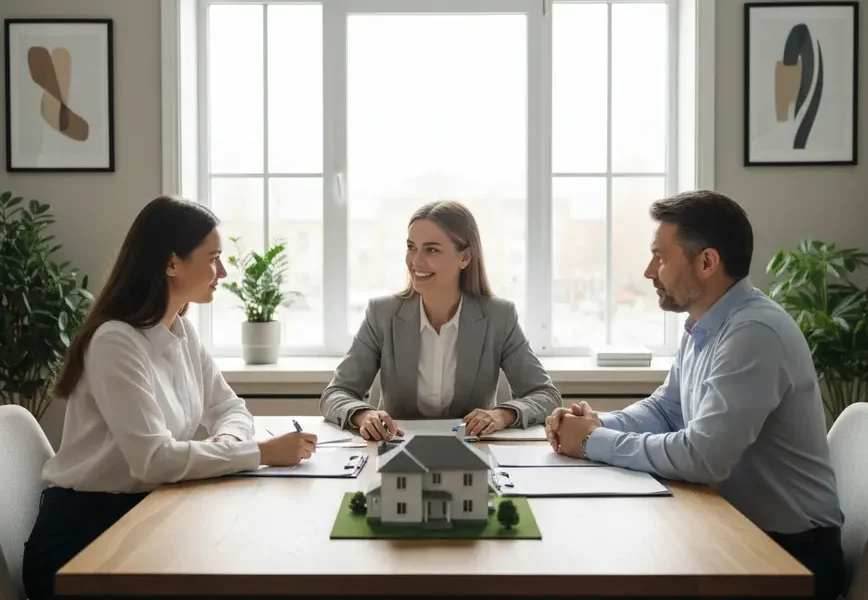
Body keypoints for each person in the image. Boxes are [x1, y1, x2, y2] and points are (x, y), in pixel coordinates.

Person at [546, 190, 845, 600]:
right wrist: (596, 422)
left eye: (661, 257)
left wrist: (592, 441)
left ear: (707, 262)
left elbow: (704, 457)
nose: (649, 271)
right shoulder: (704, 325)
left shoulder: (754, 334)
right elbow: (667, 409)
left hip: (789, 556)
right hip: (735, 531)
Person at [22, 197, 318, 600]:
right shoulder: (116, 342)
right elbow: (155, 460)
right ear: (171, 263)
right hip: (83, 539)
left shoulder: (181, 332)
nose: (223, 272)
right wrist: (260, 453)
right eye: (213, 258)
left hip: (145, 513)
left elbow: (230, 408)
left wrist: (230, 443)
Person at [320, 200, 561, 441]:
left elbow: (546, 395)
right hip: (395, 451)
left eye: (431, 249)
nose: (415, 261)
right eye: (411, 247)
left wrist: (502, 415)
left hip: (473, 452)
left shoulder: (499, 317)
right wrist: (363, 416)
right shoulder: (382, 314)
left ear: (465, 257)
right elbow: (335, 394)